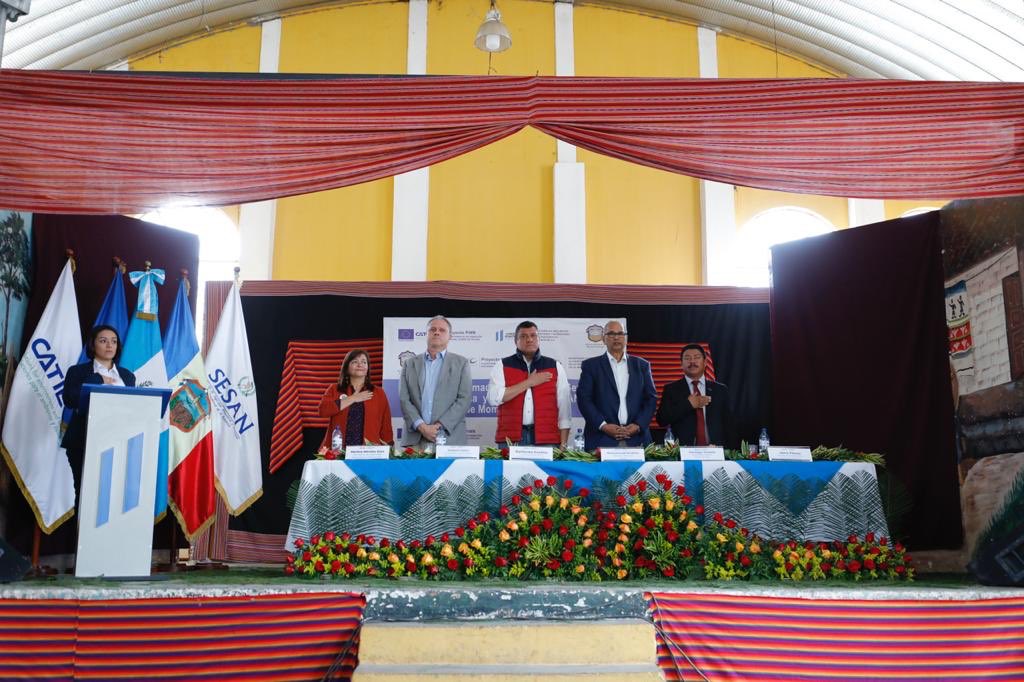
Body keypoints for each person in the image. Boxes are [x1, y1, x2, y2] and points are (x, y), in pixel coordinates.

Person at [61, 325, 136, 496]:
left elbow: (132, 406)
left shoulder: (127, 376)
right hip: (83, 440)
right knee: (85, 493)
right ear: (93, 345)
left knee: (113, 494)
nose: (109, 345)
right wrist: (97, 379)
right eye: (103, 341)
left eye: (114, 341)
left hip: (118, 441)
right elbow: (70, 400)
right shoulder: (77, 371)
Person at [487, 321, 572, 447]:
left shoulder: (555, 366)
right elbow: (493, 398)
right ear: (516, 341)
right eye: (523, 336)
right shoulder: (502, 365)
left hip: (547, 439)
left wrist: (563, 444)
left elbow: (564, 410)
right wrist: (529, 382)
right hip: (511, 439)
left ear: (539, 339)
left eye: (533, 335)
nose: (529, 339)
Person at [575, 320, 657, 451]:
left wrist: (638, 425)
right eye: (611, 334)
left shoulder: (642, 366)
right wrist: (603, 425)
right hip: (601, 437)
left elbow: (651, 399)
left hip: (637, 438)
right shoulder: (591, 366)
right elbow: (584, 399)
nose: (616, 337)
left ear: (626, 338)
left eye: (620, 333)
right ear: (603, 339)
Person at [398, 315, 473, 447]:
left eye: (442, 330)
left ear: (450, 336)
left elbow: (464, 399)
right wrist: (422, 427)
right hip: (416, 439)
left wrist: (438, 426)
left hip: (449, 438)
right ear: (426, 334)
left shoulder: (461, 363)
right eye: (432, 329)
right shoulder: (409, 364)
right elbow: (404, 399)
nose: (437, 332)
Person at [656, 343, 736, 448]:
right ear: (681, 363)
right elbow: (662, 420)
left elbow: (730, 425)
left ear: (705, 362)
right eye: (687, 358)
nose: (692, 362)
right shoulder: (671, 389)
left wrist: (730, 451)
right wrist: (688, 404)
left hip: (715, 450)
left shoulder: (720, 390)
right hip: (683, 451)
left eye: (697, 357)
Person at [318, 349, 393, 449]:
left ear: (367, 368)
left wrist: (389, 446)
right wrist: (353, 398)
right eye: (355, 362)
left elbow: (386, 423)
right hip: (338, 450)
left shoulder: (378, 393)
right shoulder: (334, 389)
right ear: (346, 368)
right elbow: (323, 411)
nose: (360, 364)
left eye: (364, 362)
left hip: (369, 451)